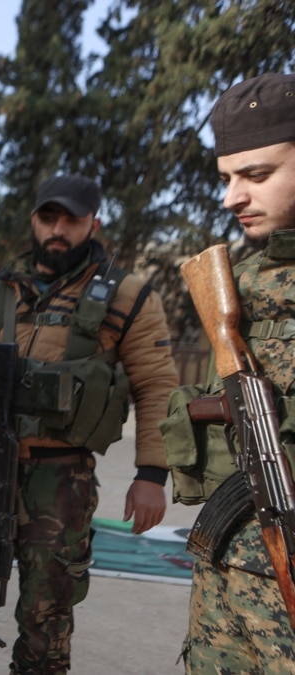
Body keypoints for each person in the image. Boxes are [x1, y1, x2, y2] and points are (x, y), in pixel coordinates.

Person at [0, 173, 179, 674]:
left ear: (93, 223)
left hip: (61, 477)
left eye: (72, 219)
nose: (59, 229)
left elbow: (157, 385)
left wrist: (152, 475)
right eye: (49, 217)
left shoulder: (128, 295)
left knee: (46, 604)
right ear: (34, 219)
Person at [172, 72, 295, 672]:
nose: (231, 198)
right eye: (227, 178)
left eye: (257, 175)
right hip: (228, 572)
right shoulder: (240, 284)